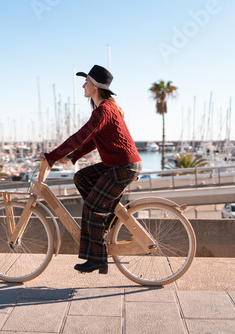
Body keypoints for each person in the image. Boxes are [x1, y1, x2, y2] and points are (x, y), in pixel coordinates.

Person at [41, 65, 142, 274]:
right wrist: (73, 156)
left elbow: (80, 136)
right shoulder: (102, 110)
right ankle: (106, 218)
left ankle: (98, 258)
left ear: (95, 86)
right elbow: (92, 140)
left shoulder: (105, 109)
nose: (83, 85)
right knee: (82, 178)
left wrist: (52, 156)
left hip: (123, 166)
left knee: (91, 208)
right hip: (117, 164)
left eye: (86, 81)